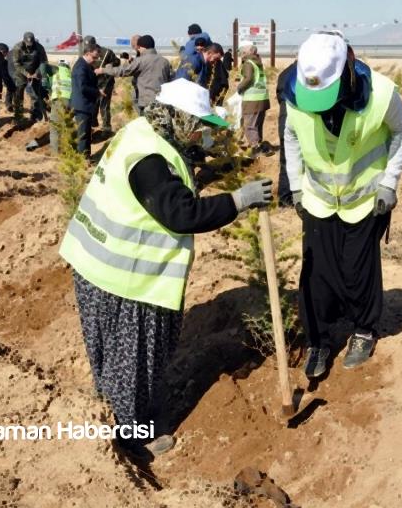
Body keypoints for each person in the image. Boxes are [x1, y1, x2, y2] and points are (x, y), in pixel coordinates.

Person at [58, 78, 272, 457]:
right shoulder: (151, 159)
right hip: (129, 280)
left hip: (94, 262)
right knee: (135, 366)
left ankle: (110, 416)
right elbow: (180, 213)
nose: (204, 134)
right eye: (201, 126)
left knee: (112, 358)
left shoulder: (141, 131)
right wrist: (238, 200)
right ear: (180, 118)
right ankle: (130, 441)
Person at [282, 32, 402, 377]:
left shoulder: (382, 94)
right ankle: (318, 341)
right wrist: (296, 186)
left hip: (365, 199)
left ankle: (363, 331)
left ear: (347, 70)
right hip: (318, 198)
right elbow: (291, 135)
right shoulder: (294, 90)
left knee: (359, 270)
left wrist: (389, 182)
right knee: (316, 274)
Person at [99, 35, 171, 116]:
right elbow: (169, 80)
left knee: (147, 126)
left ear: (143, 47)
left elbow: (123, 71)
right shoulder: (165, 62)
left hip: (147, 102)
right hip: (163, 101)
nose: (138, 50)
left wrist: (105, 69)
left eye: (139, 47)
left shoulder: (140, 61)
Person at [237, 44, 270, 153]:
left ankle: (256, 148)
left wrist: (239, 87)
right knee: (258, 125)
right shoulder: (258, 62)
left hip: (252, 100)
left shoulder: (248, 63)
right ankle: (260, 145)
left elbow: (248, 78)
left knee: (250, 126)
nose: (241, 55)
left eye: (241, 52)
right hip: (262, 99)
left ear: (246, 53)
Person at [72, 42, 103, 158]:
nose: (96, 60)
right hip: (82, 106)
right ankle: (83, 159)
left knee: (87, 133)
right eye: (94, 57)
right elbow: (83, 87)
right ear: (88, 53)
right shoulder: (81, 66)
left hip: (86, 105)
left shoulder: (87, 66)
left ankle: (86, 156)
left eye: (98, 57)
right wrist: (97, 92)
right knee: (83, 134)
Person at [11, 32, 48, 123]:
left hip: (35, 71)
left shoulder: (39, 47)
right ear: (23, 41)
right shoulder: (17, 47)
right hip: (21, 72)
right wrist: (26, 73)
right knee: (18, 94)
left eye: (31, 44)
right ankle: (18, 116)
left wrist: (37, 72)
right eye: (28, 45)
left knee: (35, 94)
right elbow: (16, 64)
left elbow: (44, 62)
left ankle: (35, 116)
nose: (29, 47)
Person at [86, 36, 119, 133]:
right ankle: (93, 125)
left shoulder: (107, 52)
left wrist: (107, 67)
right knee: (92, 104)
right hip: (94, 82)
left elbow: (117, 62)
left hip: (106, 82)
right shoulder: (86, 52)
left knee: (104, 106)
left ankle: (106, 129)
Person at [275, 61, 297, 206]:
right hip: (297, 123)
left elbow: (279, 96)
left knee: (285, 162)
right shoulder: (306, 73)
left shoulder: (285, 73)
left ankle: (284, 198)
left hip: (284, 119)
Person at [47, 59, 72, 154]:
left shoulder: (55, 73)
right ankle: (69, 151)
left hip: (59, 100)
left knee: (55, 128)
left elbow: (48, 86)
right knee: (67, 127)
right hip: (70, 102)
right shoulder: (71, 75)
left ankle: (55, 154)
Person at [0, 43, 17, 113]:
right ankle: (8, 104)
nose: (5, 55)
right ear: (1, 51)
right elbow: (4, 75)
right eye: (5, 53)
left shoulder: (4, 61)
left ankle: (8, 104)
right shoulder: (2, 62)